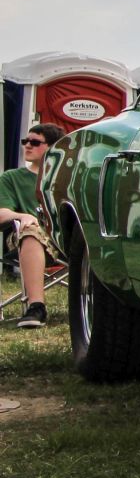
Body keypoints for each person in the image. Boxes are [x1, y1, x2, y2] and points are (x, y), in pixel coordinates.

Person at [0, 123, 61, 328]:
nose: (27, 145)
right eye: (25, 141)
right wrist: (22, 215)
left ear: (52, 147)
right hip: (27, 239)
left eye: (35, 142)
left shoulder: (64, 179)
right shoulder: (11, 178)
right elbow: (1, 213)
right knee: (30, 231)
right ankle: (36, 307)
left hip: (65, 239)